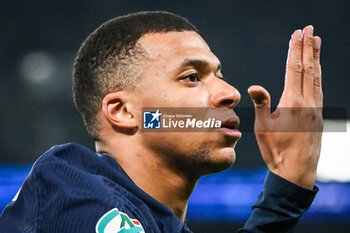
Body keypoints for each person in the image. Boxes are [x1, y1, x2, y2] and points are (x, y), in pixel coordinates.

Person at [0, 11, 323, 233]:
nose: (230, 93)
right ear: (123, 111)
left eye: (220, 76)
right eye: (192, 77)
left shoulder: (143, 217)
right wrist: (283, 198)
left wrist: (287, 183)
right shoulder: (73, 192)